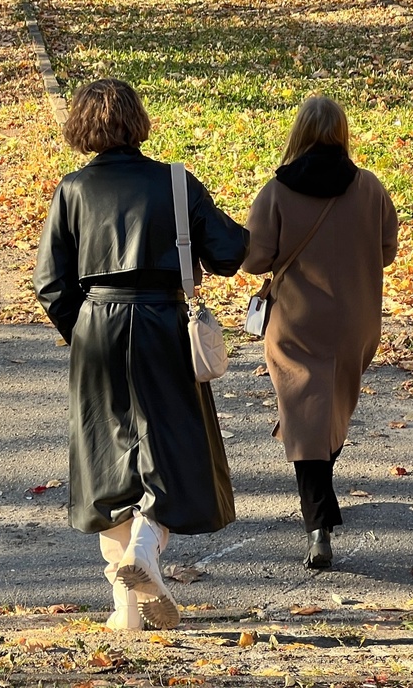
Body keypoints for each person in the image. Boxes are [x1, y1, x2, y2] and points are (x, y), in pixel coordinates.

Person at [34, 79, 248, 631]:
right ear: (139, 120)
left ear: (81, 125)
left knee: (107, 460)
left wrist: (82, 333)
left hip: (97, 329)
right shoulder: (175, 184)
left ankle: (125, 611)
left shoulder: (73, 190)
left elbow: (52, 285)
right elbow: (228, 254)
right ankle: (149, 542)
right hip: (163, 326)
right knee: (171, 449)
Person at [242, 95, 398, 570]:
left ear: (299, 133)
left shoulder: (277, 191)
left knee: (304, 410)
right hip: (355, 320)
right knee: (331, 409)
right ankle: (320, 511)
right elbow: (387, 251)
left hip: (295, 320)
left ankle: (318, 523)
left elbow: (253, 260)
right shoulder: (369, 188)